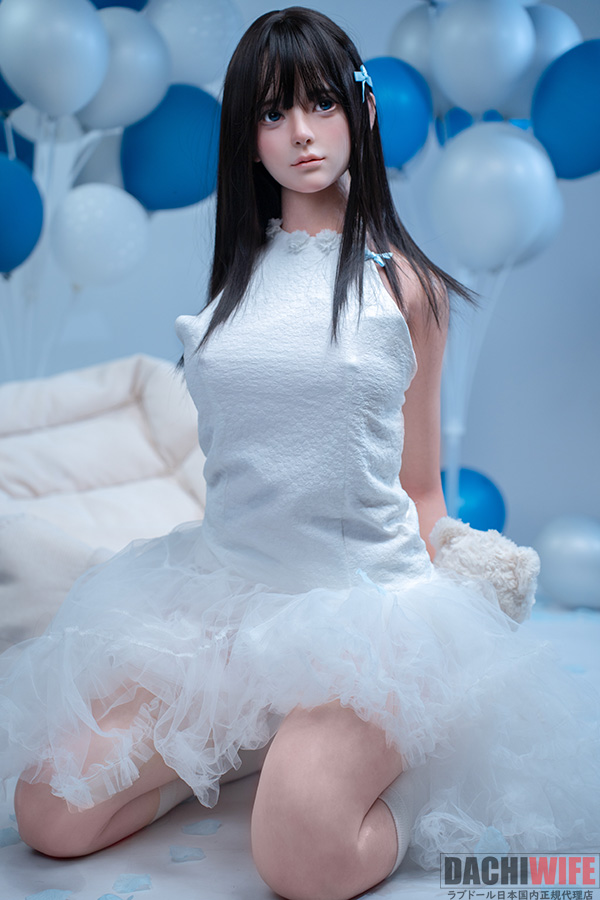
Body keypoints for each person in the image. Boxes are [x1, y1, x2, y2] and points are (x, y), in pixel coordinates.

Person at [1, 8, 599, 900]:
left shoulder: (404, 286)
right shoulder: (235, 283)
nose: (302, 134)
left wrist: (452, 615)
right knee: (50, 810)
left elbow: (420, 485)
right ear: (248, 137)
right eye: (273, 113)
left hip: (360, 612)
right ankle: (240, 743)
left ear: (360, 111)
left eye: (321, 104)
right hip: (222, 602)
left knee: (303, 858)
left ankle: (398, 773)